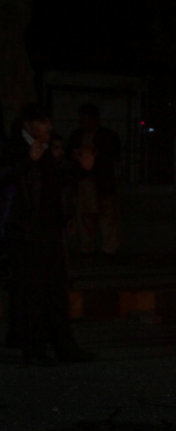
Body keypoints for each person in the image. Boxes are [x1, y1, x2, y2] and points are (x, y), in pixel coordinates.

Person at [0, 103, 94, 365]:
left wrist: (82, 169)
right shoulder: (14, 147)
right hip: (25, 234)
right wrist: (27, 161)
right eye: (43, 123)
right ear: (28, 124)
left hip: (49, 231)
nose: (48, 128)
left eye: (49, 123)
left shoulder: (48, 148)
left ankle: (64, 345)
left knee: (56, 290)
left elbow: (57, 183)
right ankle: (34, 349)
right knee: (32, 292)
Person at [65, 103, 121, 258]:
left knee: (106, 215)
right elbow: (69, 154)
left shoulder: (108, 136)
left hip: (102, 181)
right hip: (83, 181)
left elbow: (114, 156)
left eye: (87, 118)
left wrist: (95, 157)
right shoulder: (76, 135)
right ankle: (88, 247)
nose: (84, 121)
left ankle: (109, 249)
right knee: (85, 215)